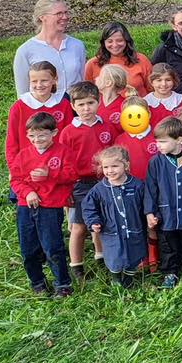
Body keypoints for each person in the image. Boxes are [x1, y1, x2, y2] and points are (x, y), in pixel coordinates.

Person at [9, 111, 75, 297]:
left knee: (52, 247)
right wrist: (28, 192)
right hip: (26, 206)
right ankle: (37, 282)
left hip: (50, 206)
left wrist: (50, 175)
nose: (37, 140)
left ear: (54, 133)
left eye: (42, 135)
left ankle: (62, 284)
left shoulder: (63, 152)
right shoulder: (23, 155)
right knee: (28, 248)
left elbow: (72, 175)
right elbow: (15, 180)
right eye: (32, 136)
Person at [60, 80, 113, 280]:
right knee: (79, 226)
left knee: (100, 223)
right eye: (81, 104)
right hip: (80, 184)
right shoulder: (68, 132)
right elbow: (63, 162)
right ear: (73, 106)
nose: (86, 108)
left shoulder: (106, 127)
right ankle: (77, 266)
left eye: (90, 103)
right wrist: (67, 188)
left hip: (104, 182)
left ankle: (101, 258)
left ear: (98, 102)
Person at [144, 116, 182, 287]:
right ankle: (170, 273)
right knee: (167, 245)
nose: (158, 145)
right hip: (165, 214)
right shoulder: (155, 162)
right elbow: (151, 189)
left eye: (163, 141)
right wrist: (149, 212)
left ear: (179, 140)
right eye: (157, 141)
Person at [82, 146, 147, 289]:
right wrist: (93, 222)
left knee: (135, 254)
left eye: (114, 166)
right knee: (114, 256)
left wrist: (150, 217)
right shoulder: (98, 190)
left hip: (134, 229)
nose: (110, 170)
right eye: (106, 167)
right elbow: (89, 207)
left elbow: (147, 204)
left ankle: (129, 278)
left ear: (126, 165)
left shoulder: (137, 185)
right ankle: (116, 278)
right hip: (111, 231)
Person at [13, 0, 86, 98]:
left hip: (74, 105)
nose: (65, 17)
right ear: (42, 17)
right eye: (59, 13)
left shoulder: (77, 45)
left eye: (66, 12)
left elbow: (83, 81)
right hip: (44, 106)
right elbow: (23, 93)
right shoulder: (25, 50)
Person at [5, 60, 71, 170]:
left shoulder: (63, 104)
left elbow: (68, 137)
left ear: (55, 79)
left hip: (57, 166)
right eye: (34, 81)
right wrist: (13, 168)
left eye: (44, 80)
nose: (39, 85)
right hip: (27, 166)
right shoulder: (19, 107)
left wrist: (67, 165)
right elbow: (12, 140)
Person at [83, 22, 153, 96]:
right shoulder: (92, 64)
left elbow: (152, 90)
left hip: (137, 103)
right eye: (110, 41)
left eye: (119, 40)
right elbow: (88, 95)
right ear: (103, 43)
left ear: (126, 41)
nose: (115, 45)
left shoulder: (141, 60)